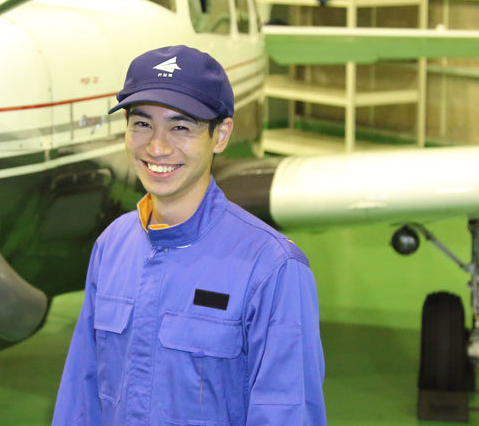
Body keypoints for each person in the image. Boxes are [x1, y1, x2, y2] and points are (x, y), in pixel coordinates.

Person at [52, 45, 326, 425]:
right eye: (142, 123)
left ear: (220, 135)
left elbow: (287, 413)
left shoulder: (272, 267)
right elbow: (80, 399)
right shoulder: (112, 245)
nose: (157, 146)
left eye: (181, 127)